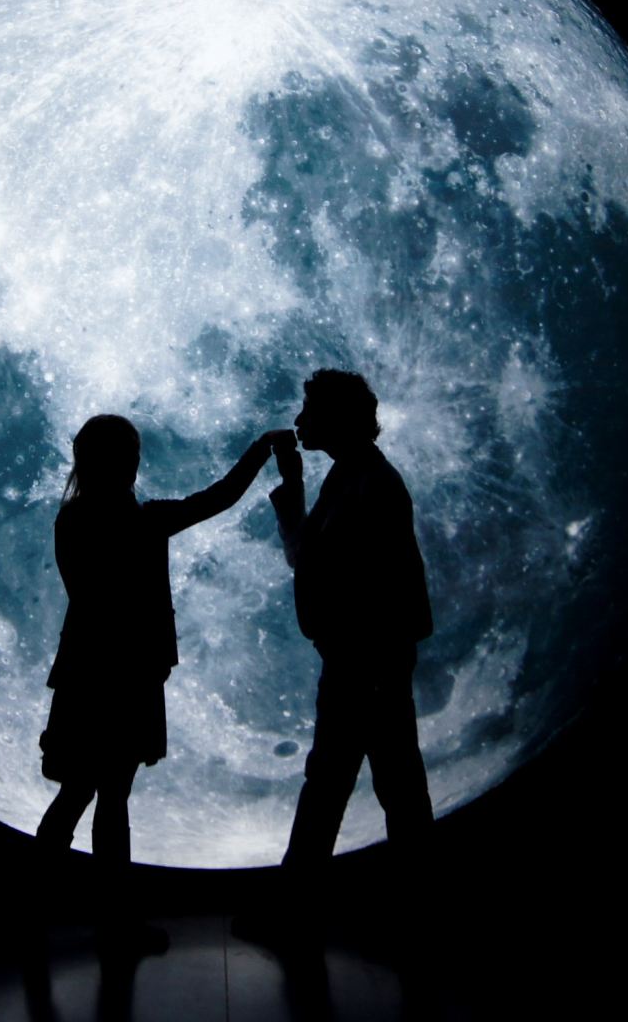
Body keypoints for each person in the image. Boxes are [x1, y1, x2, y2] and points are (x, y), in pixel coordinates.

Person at [35, 414, 284, 928]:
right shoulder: (142, 520)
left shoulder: (73, 519)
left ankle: (39, 908)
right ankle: (115, 922)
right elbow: (219, 498)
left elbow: (86, 597)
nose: (136, 463)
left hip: (86, 674)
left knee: (79, 793)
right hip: (126, 680)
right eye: (132, 455)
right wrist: (261, 451)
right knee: (109, 798)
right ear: (125, 463)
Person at [267, 369, 435, 886]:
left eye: (309, 411)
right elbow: (308, 557)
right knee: (383, 783)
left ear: (335, 418)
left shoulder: (372, 484)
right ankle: (420, 901)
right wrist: (293, 484)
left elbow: (385, 584)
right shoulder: (350, 477)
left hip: (366, 663)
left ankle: (297, 906)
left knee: (346, 782)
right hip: (361, 661)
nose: (298, 421)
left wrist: (378, 667)